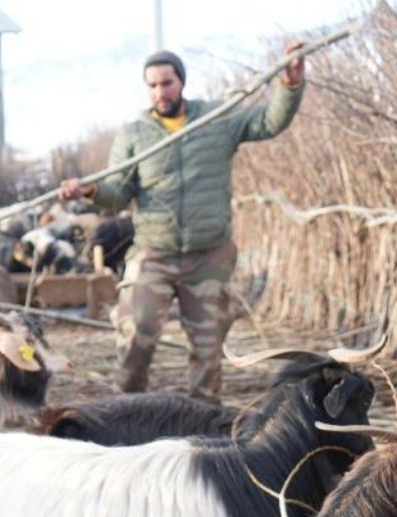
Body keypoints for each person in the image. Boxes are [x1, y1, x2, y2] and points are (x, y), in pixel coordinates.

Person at [60, 44, 306, 400]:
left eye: (167, 83)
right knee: (136, 333)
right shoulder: (135, 135)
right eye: (153, 86)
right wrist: (89, 190)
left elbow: (270, 121)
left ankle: (203, 425)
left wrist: (290, 85)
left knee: (208, 350)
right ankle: (126, 411)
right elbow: (117, 191)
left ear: (181, 82)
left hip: (208, 256)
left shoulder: (216, 119)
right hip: (154, 253)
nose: (161, 92)